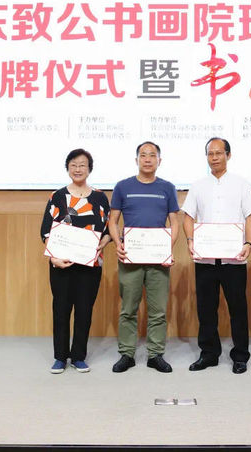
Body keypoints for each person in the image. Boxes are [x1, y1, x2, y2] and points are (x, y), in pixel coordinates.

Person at [182, 137, 251, 374]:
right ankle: (209, 354)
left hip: (234, 258)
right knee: (206, 309)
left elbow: (250, 216)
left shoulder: (241, 184)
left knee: (238, 308)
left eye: (218, 153)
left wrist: (249, 243)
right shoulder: (198, 186)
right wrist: (190, 240)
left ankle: (240, 356)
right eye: (210, 153)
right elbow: (188, 217)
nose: (214, 157)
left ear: (228, 155)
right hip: (205, 258)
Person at [108, 141, 180, 373]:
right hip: (130, 257)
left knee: (158, 310)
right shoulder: (122, 186)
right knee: (128, 308)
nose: (147, 159)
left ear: (159, 160)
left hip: (158, 259)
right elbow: (112, 220)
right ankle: (127, 354)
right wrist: (118, 243)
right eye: (143, 155)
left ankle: (155, 355)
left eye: (152, 155)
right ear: (136, 159)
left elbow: (175, 222)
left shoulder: (167, 188)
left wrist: (168, 248)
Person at [40, 148, 112, 374]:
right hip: (61, 264)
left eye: (82, 165)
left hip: (90, 265)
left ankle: (79, 356)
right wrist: (53, 257)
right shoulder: (57, 196)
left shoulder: (100, 197)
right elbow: (46, 231)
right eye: (73, 165)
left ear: (89, 169)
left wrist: (104, 242)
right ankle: (60, 357)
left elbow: (109, 230)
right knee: (61, 309)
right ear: (67, 168)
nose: (78, 169)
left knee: (84, 310)